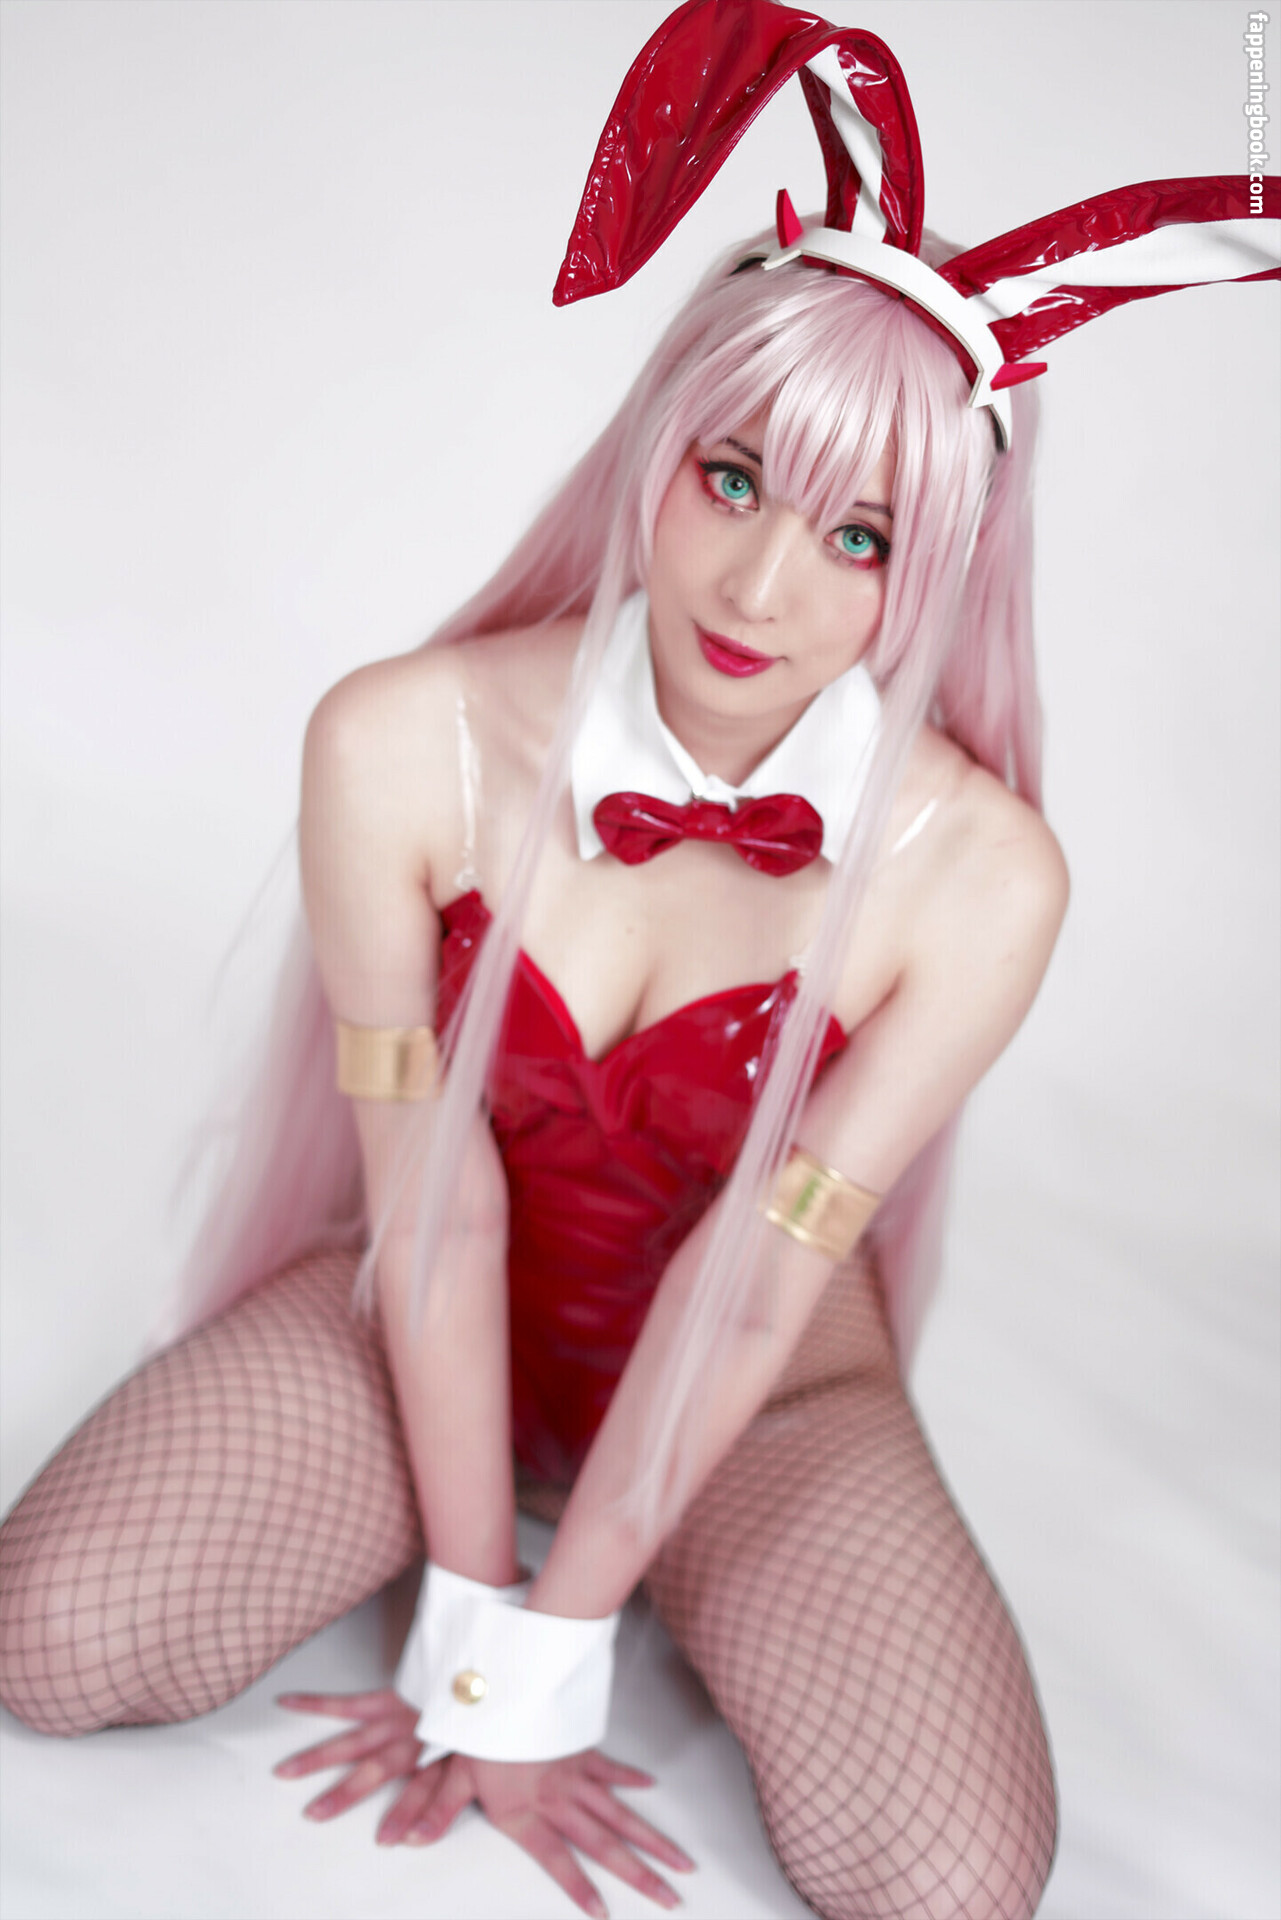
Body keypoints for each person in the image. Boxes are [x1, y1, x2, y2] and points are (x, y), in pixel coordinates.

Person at [0, 5, 1275, 1918]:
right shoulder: (401, 740)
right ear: (652, 446)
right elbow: (429, 1208)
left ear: (944, 560)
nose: (761, 588)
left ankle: (683, 1551)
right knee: (52, 1641)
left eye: (861, 535)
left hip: (763, 1376)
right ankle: (447, 1503)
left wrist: (552, 1650)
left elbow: (753, 1295)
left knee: (947, 1884)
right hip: (425, 1308)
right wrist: (471, 1614)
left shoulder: (979, 876)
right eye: (731, 479)